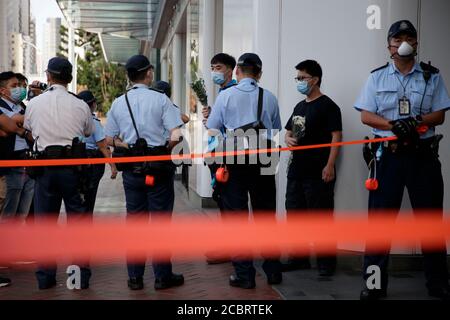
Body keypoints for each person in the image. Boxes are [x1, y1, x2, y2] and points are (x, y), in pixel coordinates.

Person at [354, 20, 450, 300]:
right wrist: (391, 125)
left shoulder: (432, 76)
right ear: (389, 46)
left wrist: (416, 120)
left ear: (417, 44)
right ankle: (373, 285)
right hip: (389, 157)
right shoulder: (377, 77)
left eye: (409, 38)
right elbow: (366, 115)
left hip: (423, 157)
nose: (404, 43)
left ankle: (438, 283)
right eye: (398, 39)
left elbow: (440, 114)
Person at [105, 55, 185, 292]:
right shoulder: (161, 99)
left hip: (132, 171)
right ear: (149, 73)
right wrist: (164, 150)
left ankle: (135, 278)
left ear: (128, 76)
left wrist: (125, 145)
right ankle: (162, 277)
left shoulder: (119, 103)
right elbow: (176, 135)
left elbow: (109, 138)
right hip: (158, 170)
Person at [206, 53, 283, 289]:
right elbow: (276, 128)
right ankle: (272, 271)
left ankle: (244, 275)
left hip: (235, 160)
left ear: (237, 71)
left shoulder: (226, 96)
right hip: (264, 159)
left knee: (236, 216)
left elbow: (213, 128)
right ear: (259, 74)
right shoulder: (269, 97)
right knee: (266, 215)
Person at [24, 57, 95, 290]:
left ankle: (45, 278)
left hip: (44, 170)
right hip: (73, 170)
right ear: (70, 78)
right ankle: (79, 278)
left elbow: (30, 131)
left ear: (48, 77)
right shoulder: (80, 104)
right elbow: (87, 131)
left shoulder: (34, 104)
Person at [284, 60, 342, 277]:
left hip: (318, 172)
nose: (299, 82)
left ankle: (326, 263)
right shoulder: (300, 106)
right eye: (297, 78)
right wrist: (288, 138)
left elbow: (337, 137)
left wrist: (330, 165)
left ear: (315, 79)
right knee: (295, 215)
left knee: (321, 217)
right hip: (296, 171)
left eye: (302, 78)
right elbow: (288, 131)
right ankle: (298, 258)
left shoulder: (329, 106)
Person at [202, 53, 237, 265]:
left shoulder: (232, 92)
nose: (215, 71)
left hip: (228, 156)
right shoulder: (224, 92)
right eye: (213, 67)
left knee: (229, 202)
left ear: (231, 70)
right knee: (223, 200)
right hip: (219, 154)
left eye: (219, 67)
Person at [0, 72, 34, 223]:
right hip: (10, 164)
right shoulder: (1, 106)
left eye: (21, 85)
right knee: (9, 211)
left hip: (28, 161)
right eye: (14, 86)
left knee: (23, 212)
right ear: (3, 90)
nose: (19, 89)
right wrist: (24, 129)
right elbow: (12, 124)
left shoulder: (23, 106)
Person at [78, 90, 118, 215]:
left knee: (77, 197)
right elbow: (102, 146)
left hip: (77, 162)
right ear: (93, 104)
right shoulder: (93, 122)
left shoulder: (74, 121)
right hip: (92, 165)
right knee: (90, 197)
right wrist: (113, 166)